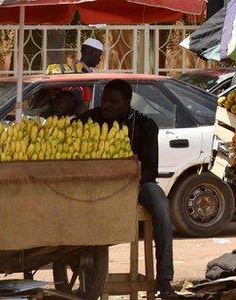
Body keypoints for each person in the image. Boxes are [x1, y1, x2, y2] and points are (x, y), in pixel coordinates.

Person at [79, 79, 178, 299]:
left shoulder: (146, 126)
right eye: (104, 100)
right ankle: (88, 276)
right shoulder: (88, 120)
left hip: (138, 185)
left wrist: (129, 179)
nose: (106, 105)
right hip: (96, 187)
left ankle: (165, 280)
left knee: (161, 205)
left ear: (127, 102)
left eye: (113, 101)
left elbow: (151, 169)